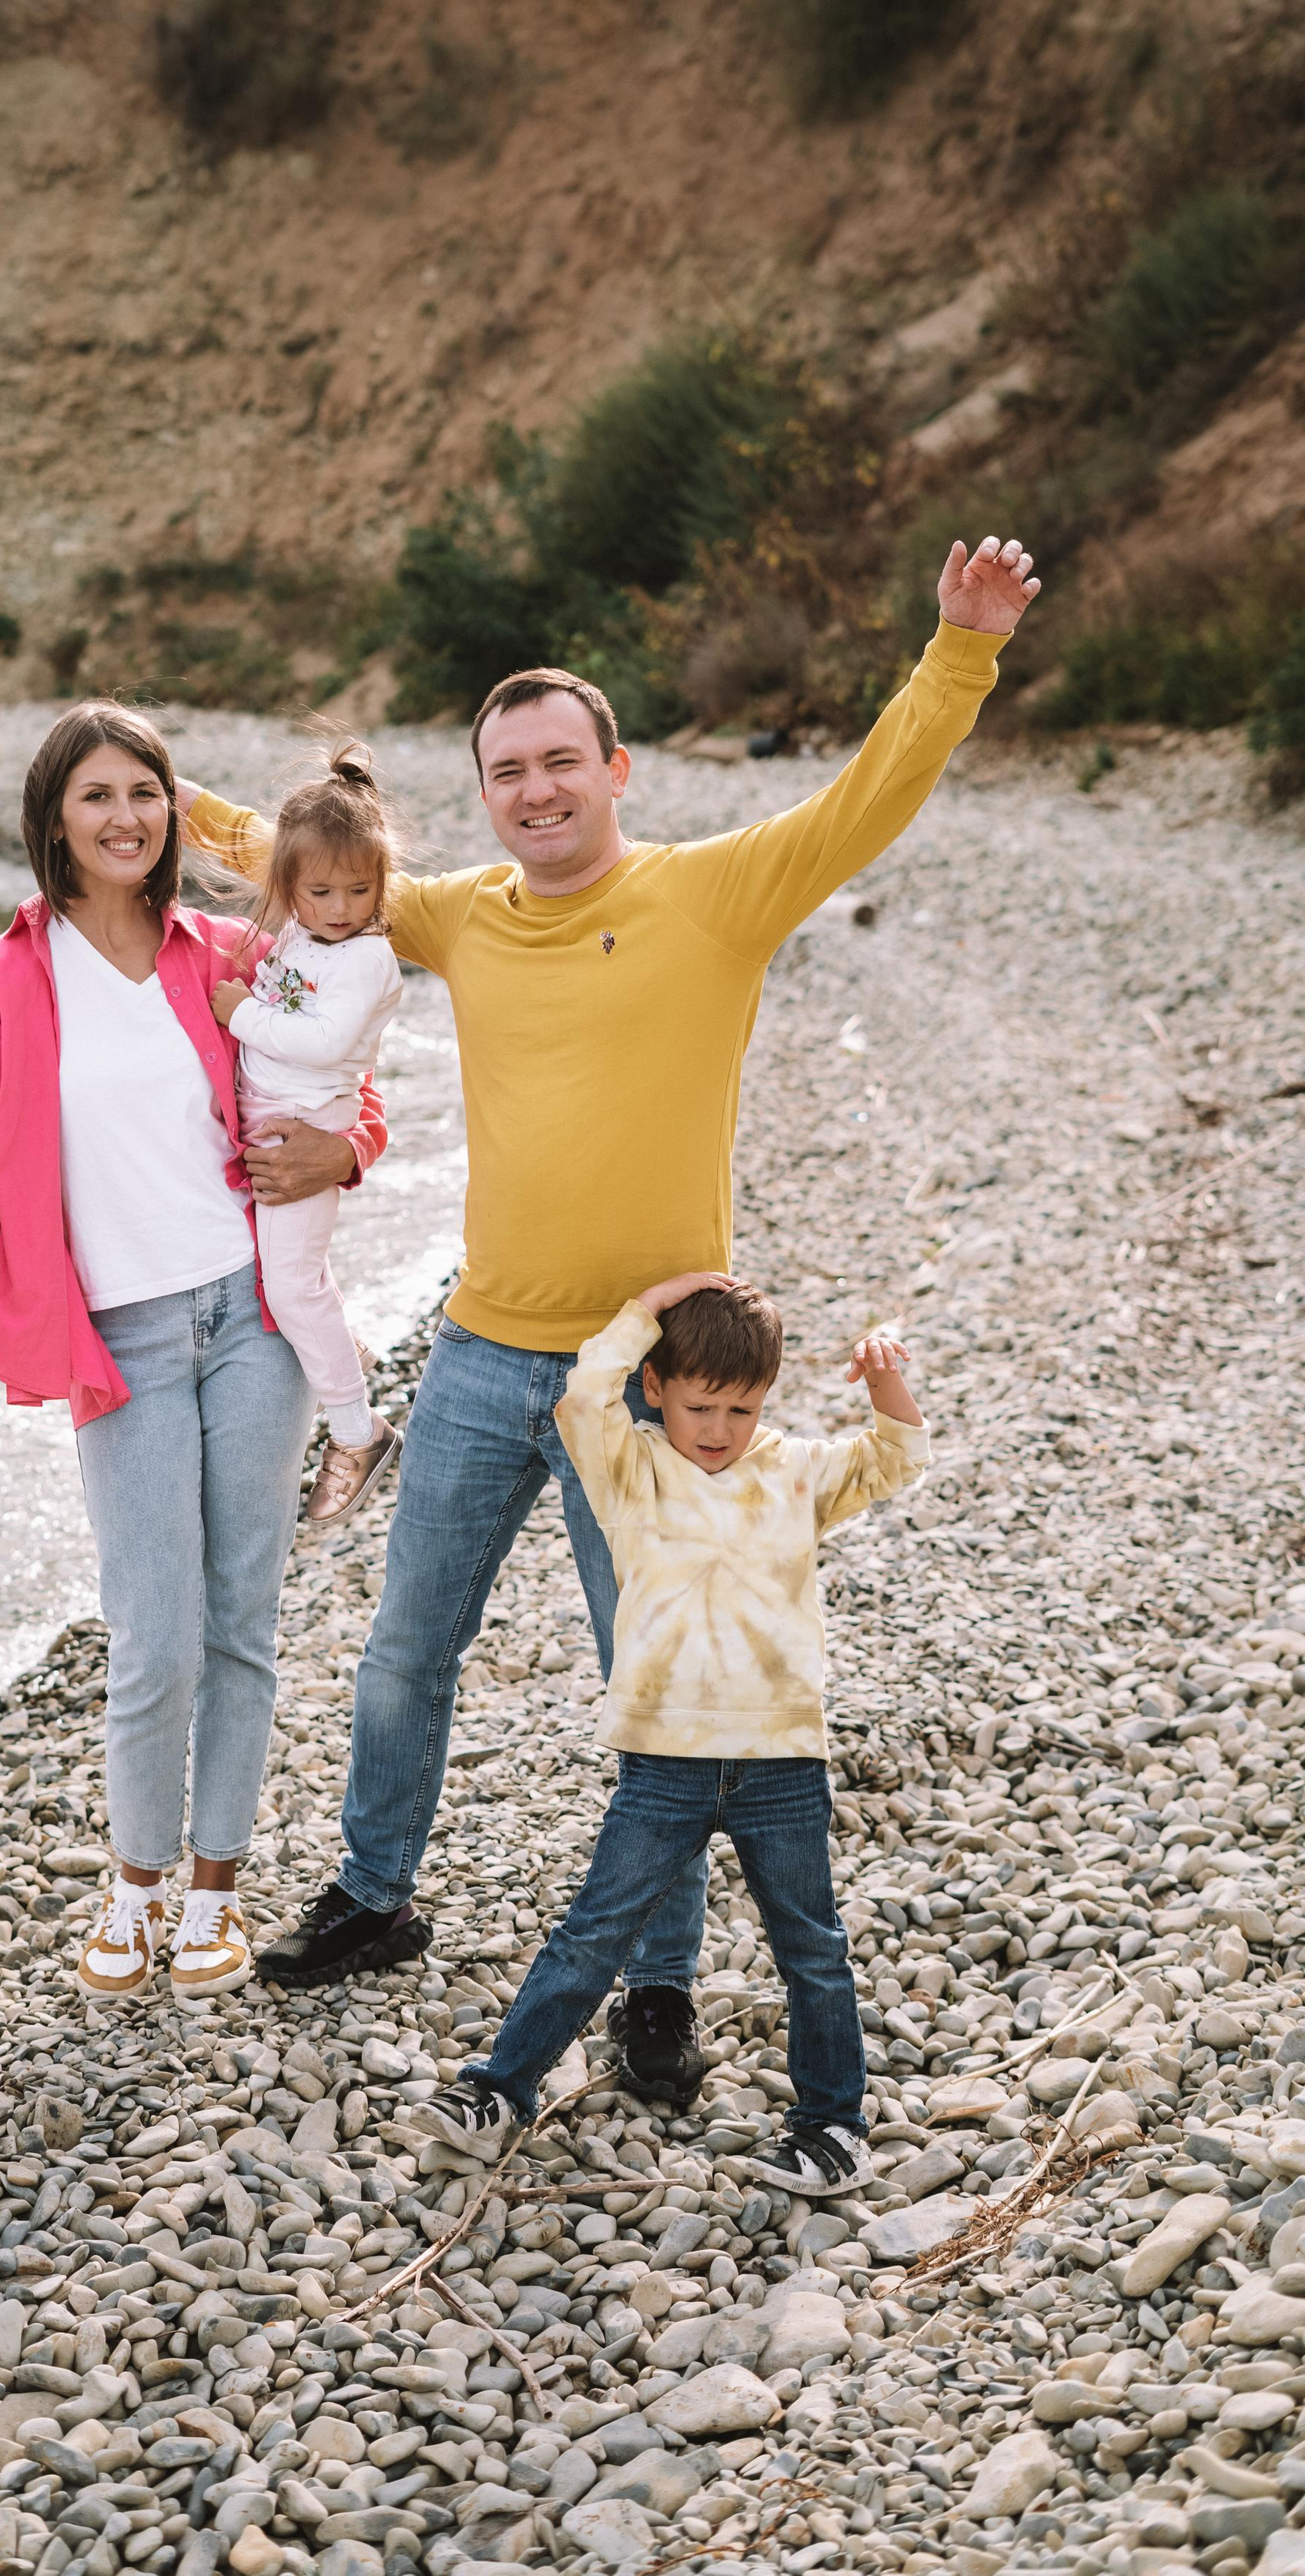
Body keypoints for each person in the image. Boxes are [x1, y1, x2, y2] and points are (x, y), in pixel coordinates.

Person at [178, 530, 1037, 2058]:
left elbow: (866, 800)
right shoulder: (455, 916)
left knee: (662, 1681)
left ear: (615, 768)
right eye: (505, 771)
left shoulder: (716, 893)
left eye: (558, 762)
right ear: (487, 792)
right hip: (480, 1356)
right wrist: (134, 788)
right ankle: (375, 1894)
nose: (534, 791)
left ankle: (658, 1982)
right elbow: (299, 866)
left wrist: (957, 648)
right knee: (401, 1653)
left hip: (642, 1388)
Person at [0, 701, 387, 2005]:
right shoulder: (3, 980)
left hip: (252, 1317)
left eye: (146, 792)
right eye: (96, 796)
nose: (125, 817)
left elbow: (343, 1079)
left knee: (241, 1619)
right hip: (113, 1336)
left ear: (174, 812)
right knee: (151, 1630)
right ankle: (133, 1883)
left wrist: (349, 1152)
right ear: (53, 819)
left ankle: (216, 1895)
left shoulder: (228, 948)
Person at [421, 1271, 927, 2197]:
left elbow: (892, 1458)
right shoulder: (629, 1466)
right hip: (662, 1762)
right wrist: (650, 1306)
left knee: (810, 1947)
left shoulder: (794, 1471)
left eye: (741, 1408)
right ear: (655, 1388)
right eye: (700, 1404)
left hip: (780, 1760)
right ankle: (497, 2092)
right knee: (591, 1934)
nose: (720, 1429)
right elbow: (582, 1390)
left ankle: (832, 2125)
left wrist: (883, 1377)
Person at [207, 740, 407, 1526]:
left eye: (359, 890)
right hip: (271, 1119)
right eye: (319, 891)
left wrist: (240, 1014)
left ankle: (358, 1430)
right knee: (283, 1272)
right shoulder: (303, 934)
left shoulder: (365, 959)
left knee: (293, 1281)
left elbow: (321, 1043)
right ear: (289, 888)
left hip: (311, 1127)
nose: (339, 907)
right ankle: (345, 1350)